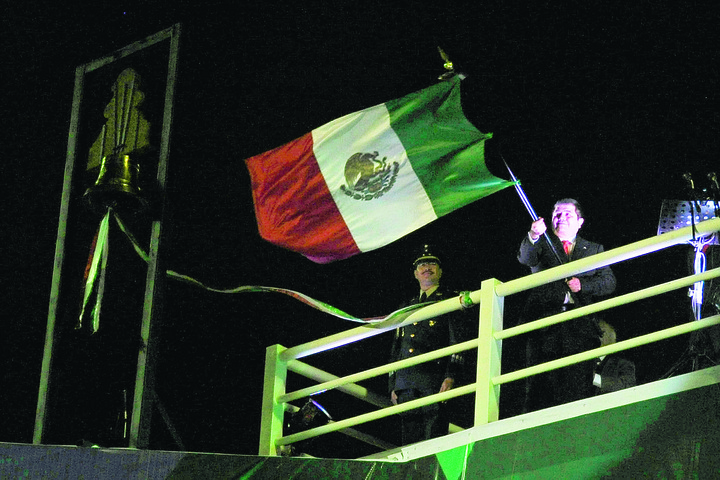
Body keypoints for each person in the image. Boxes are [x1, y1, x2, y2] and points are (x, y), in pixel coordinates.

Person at [517, 198, 617, 411]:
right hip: (544, 323)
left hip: (579, 327)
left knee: (576, 386)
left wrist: (583, 285)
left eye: (568, 214)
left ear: (580, 222)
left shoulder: (593, 248)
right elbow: (526, 258)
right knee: (538, 389)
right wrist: (533, 234)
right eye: (557, 214)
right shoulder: (542, 243)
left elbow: (609, 282)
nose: (561, 218)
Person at [388, 245, 465, 445]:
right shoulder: (407, 306)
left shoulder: (450, 300)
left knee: (433, 440)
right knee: (409, 443)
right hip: (405, 383)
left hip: (434, 379)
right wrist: (393, 384)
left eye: (432, 264)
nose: (427, 268)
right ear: (415, 273)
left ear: (440, 271)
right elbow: (397, 346)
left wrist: (451, 375)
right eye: (422, 265)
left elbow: (457, 341)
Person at [593, 320, 636, 394]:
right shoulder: (582, 361)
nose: (598, 336)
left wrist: (596, 379)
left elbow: (628, 387)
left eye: (602, 332)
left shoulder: (623, 363)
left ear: (614, 335)